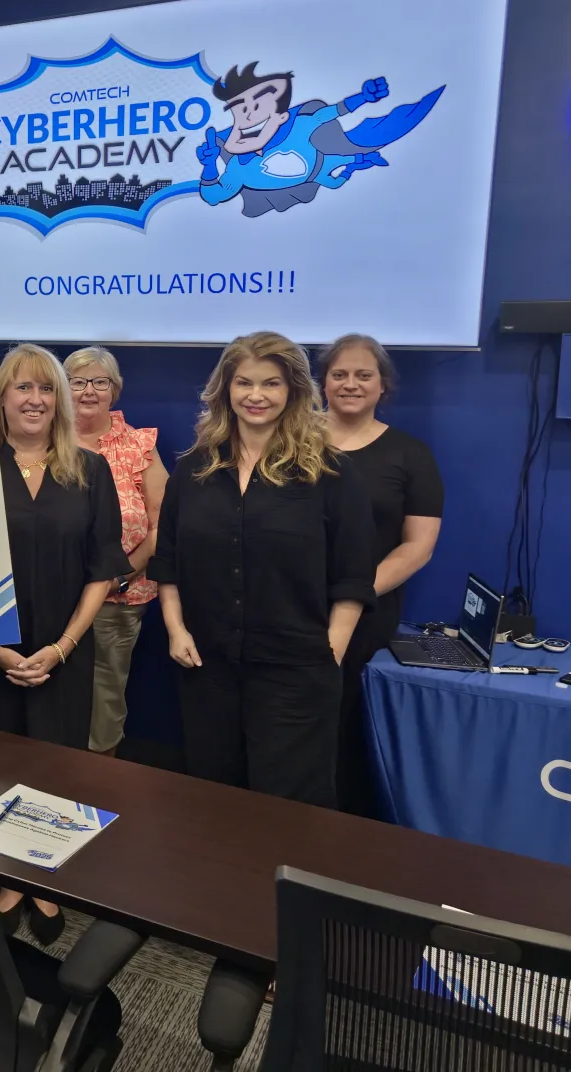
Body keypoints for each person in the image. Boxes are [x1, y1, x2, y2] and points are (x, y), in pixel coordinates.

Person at [148, 331, 376, 811]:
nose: (256, 395)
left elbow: (353, 575)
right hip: (206, 668)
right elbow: (167, 560)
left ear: (293, 390)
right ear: (224, 390)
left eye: (270, 384)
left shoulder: (331, 473)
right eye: (244, 383)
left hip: (296, 672)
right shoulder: (195, 470)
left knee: (289, 810)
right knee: (215, 802)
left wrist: (330, 650)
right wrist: (174, 628)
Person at [0, 344, 124, 946]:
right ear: (1, 398)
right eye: (21, 389)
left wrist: (62, 646)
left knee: (55, 766)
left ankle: (43, 878)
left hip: (64, 650)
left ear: (61, 401)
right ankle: (5, 875)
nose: (34, 400)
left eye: (46, 389)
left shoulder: (90, 469)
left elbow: (102, 571)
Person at [320, 334, 443, 817]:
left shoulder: (411, 455)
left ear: (382, 385)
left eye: (363, 375)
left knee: (342, 731)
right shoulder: (289, 443)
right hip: (285, 606)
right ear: (322, 383)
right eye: (339, 374)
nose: (350, 384)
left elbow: (418, 545)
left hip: (366, 615)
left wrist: (353, 592)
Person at [64, 347, 167, 758]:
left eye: (100, 382)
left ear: (115, 391)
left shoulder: (138, 445)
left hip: (117, 597)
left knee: (104, 697)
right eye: (77, 382)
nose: (89, 391)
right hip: (53, 595)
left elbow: (163, 525)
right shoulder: (41, 439)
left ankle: (97, 786)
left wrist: (120, 576)